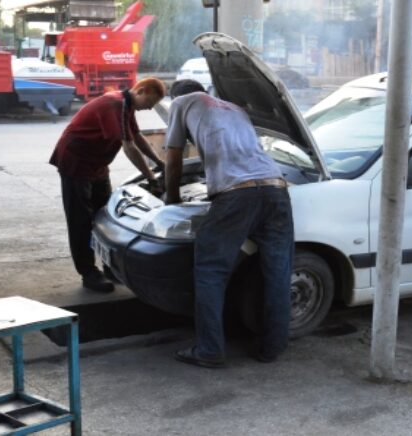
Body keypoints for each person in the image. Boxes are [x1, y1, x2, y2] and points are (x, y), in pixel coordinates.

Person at [164, 79, 294, 368]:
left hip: (236, 194)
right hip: (275, 188)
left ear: (176, 96)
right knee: (278, 271)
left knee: (211, 271)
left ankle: (210, 350)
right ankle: (273, 346)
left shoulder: (181, 103)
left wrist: (171, 199)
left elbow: (173, 158)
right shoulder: (236, 108)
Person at [50, 78, 166, 293]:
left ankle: (110, 267)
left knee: (105, 216)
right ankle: (88, 272)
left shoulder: (127, 107)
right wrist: (150, 177)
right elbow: (129, 147)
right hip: (76, 162)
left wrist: (160, 162)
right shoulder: (116, 104)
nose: (150, 108)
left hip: (98, 165)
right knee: (80, 219)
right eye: (150, 102)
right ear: (140, 91)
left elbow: (137, 137)